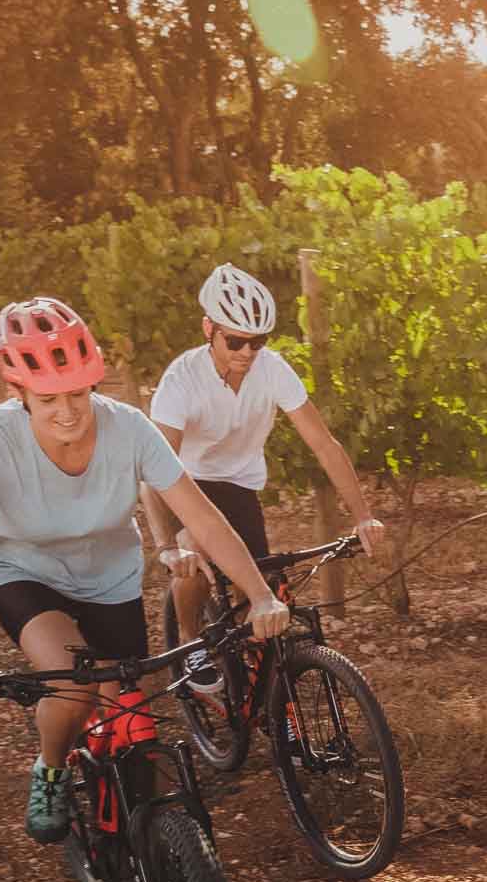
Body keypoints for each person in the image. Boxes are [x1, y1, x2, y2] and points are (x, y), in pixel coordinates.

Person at [0, 296, 290, 840]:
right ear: (16, 392)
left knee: (127, 712)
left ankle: (146, 840)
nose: (67, 410)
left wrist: (260, 594)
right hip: (21, 569)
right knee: (71, 681)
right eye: (47, 397)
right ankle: (49, 769)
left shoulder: (130, 429)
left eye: (78, 392)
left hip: (108, 575)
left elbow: (205, 521)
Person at [142, 263, 384, 691]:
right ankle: (188, 642)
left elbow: (324, 444)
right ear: (208, 329)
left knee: (260, 589)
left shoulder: (271, 370)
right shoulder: (181, 379)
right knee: (194, 556)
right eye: (235, 340)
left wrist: (363, 515)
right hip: (185, 480)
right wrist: (169, 544)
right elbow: (155, 470)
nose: (247, 352)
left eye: (258, 342)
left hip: (239, 485)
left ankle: (257, 685)